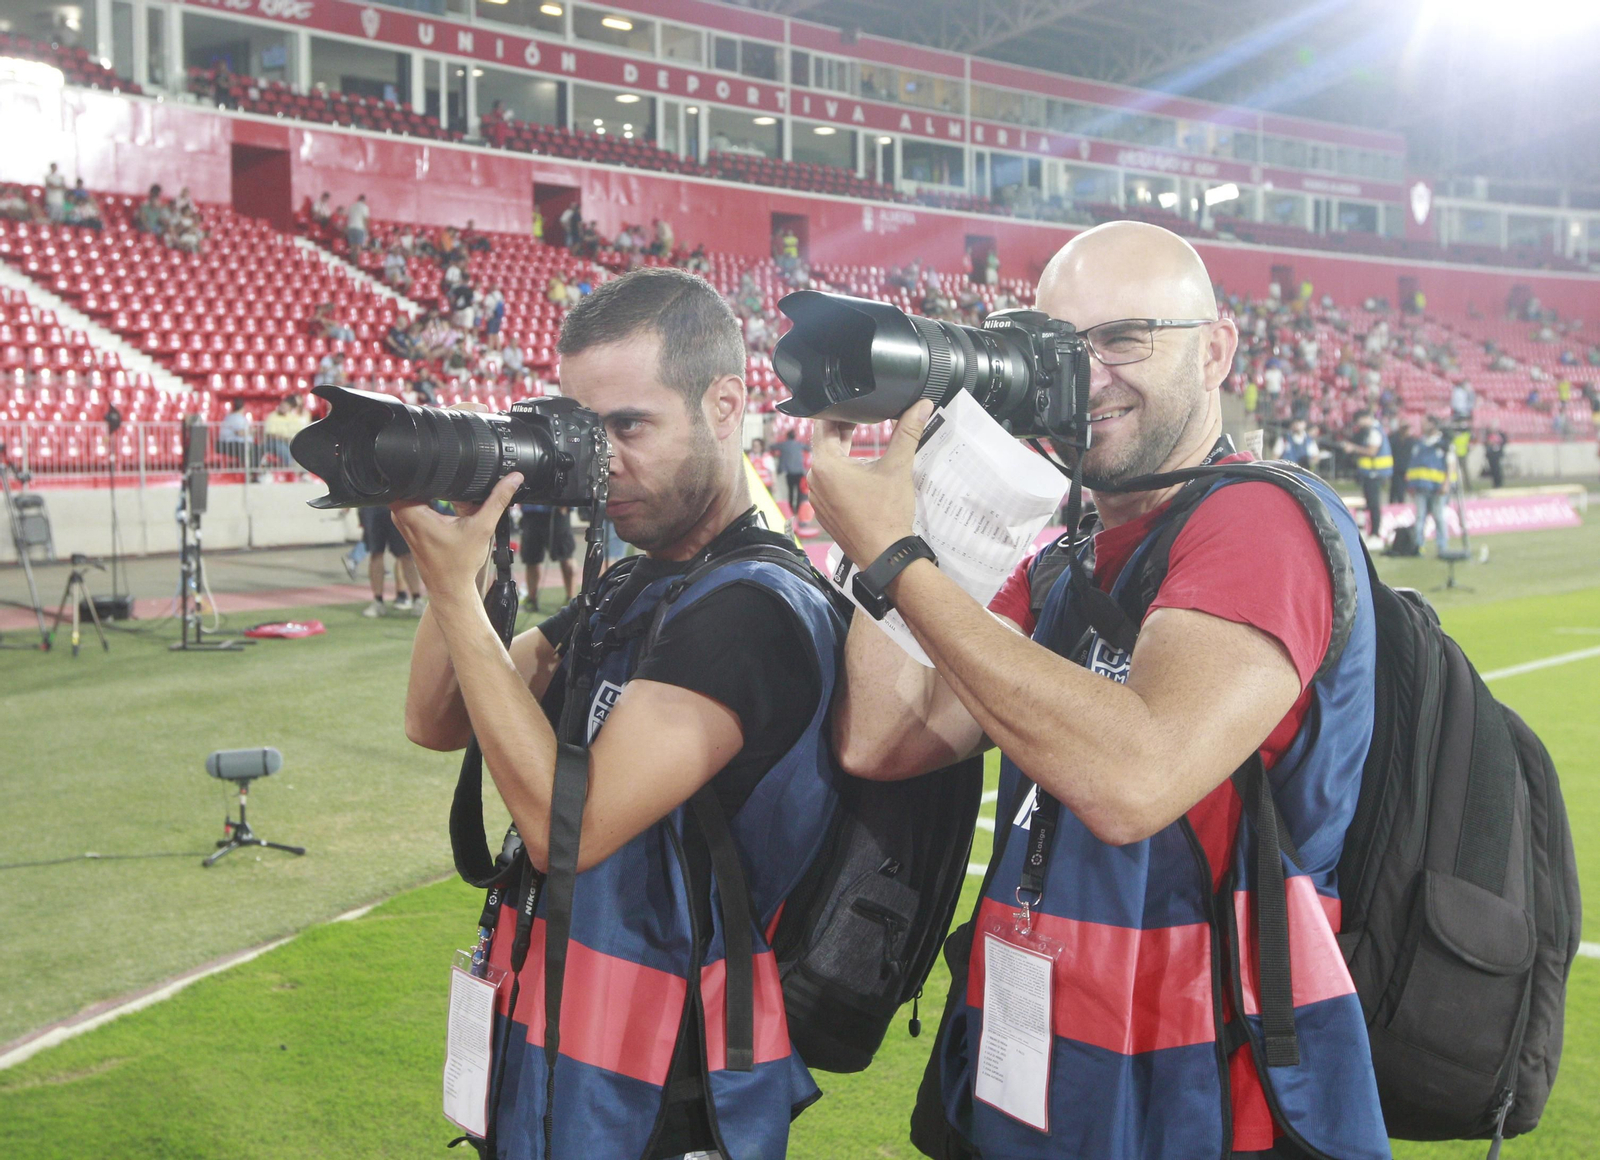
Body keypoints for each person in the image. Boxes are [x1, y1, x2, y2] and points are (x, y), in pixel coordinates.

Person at [806, 221, 1388, 1160]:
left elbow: (1134, 778)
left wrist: (896, 561)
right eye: (1059, 350)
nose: (1088, 377)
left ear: (1217, 351)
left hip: (1208, 1091)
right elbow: (882, 736)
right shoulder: (1060, 565)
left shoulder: (1262, 521)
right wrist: (929, 492)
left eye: (1124, 340)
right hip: (1045, 1072)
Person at [396, 267, 847, 1159]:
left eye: (629, 426)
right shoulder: (638, 586)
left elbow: (571, 829)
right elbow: (439, 718)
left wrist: (452, 593)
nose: (602, 462)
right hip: (566, 1053)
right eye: (583, 430)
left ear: (726, 405)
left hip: (669, 1089)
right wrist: (467, 548)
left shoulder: (749, 609)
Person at [358, 505, 423, 616]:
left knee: (406, 554)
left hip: (396, 504)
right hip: (372, 504)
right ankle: (378, 601)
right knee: (375, 553)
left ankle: (417, 600)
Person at [1341, 409, 1392, 544]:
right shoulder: (1374, 431)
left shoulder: (1374, 432)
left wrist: (1354, 448)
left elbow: (1372, 451)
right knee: (1371, 504)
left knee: (1374, 504)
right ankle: (1372, 532)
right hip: (1371, 473)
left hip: (1374, 473)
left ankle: (1375, 533)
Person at [1405, 415, 1453, 556]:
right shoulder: (1420, 443)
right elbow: (1414, 465)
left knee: (1438, 517)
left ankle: (1442, 546)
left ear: (1432, 424)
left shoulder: (1444, 444)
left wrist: (1446, 483)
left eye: (1424, 423)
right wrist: (1411, 484)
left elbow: (1450, 465)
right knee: (1420, 517)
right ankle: (1418, 546)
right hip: (1420, 486)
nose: (1422, 426)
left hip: (1437, 487)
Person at [517, 503, 576, 612]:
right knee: (531, 559)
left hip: (557, 510)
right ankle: (531, 599)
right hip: (531, 510)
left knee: (566, 556)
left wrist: (565, 503)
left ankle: (571, 599)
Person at [772, 427, 809, 515]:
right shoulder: (799, 444)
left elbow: (772, 447)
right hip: (799, 472)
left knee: (791, 491)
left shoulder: (783, 445)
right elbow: (808, 448)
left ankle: (791, 509)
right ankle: (798, 508)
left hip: (789, 472)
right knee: (799, 492)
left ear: (787, 436)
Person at [217, 398, 253, 472]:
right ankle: (251, 473)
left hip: (235, 444)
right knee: (250, 450)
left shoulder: (233, 417)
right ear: (243, 408)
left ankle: (253, 472)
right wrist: (252, 431)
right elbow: (240, 432)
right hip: (229, 445)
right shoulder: (235, 418)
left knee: (255, 449)